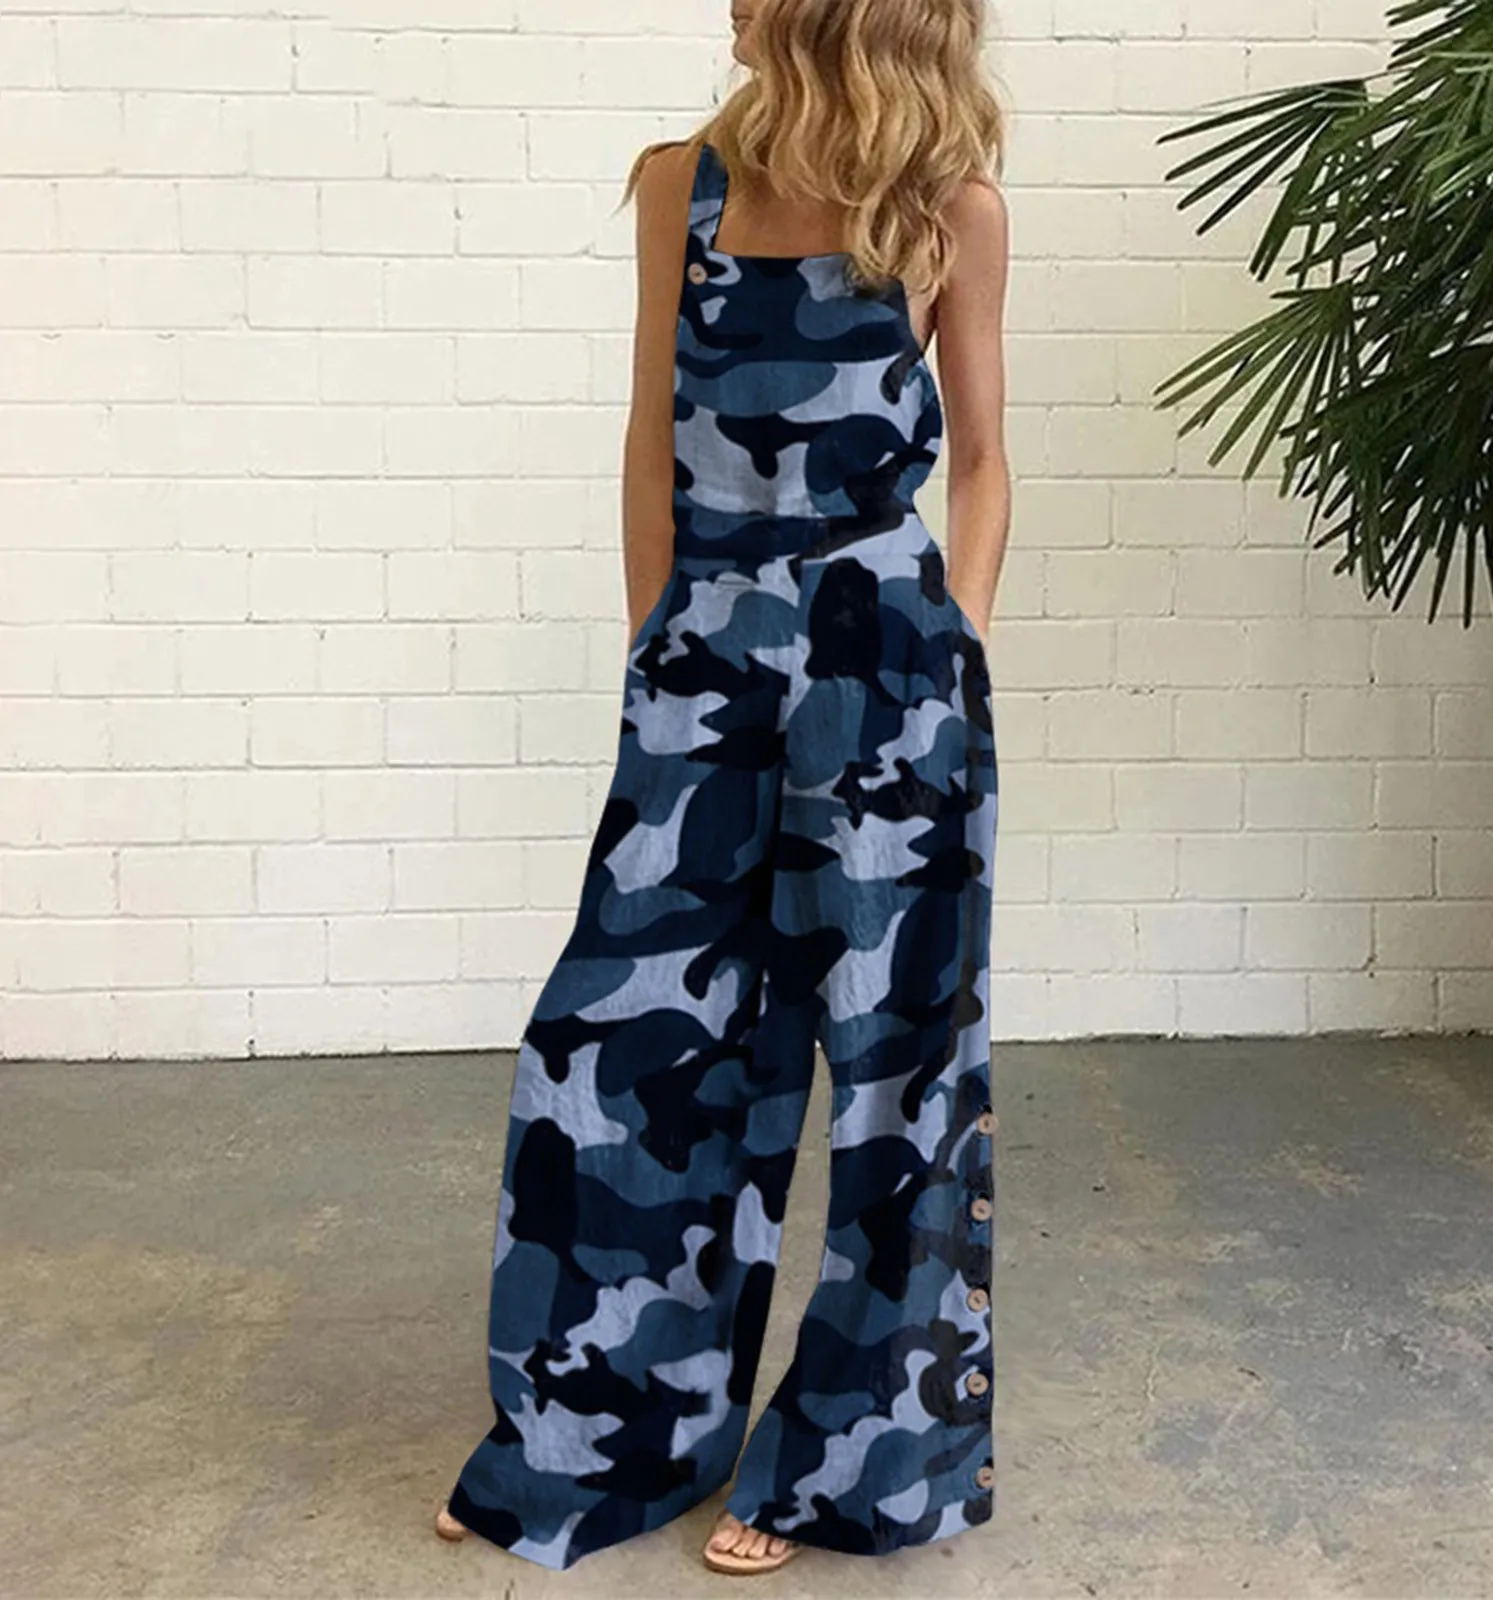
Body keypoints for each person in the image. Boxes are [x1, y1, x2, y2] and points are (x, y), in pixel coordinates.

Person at [435, 0, 1011, 1577]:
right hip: (705, 668)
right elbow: (652, 442)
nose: (730, 4)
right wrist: (657, 648)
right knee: (619, 1041)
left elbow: (981, 461)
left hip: (890, 682)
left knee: (897, 1074)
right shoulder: (677, 185)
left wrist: (953, 645)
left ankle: (843, 1467)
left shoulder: (948, 207)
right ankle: (593, 1438)